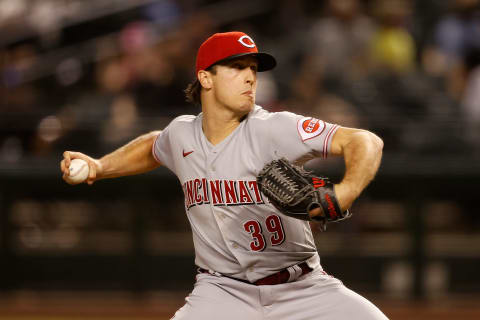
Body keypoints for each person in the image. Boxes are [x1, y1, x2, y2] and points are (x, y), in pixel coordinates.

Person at [60, 31, 387, 320]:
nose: (250, 78)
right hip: (221, 291)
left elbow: (365, 140)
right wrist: (100, 166)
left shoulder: (274, 128)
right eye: (237, 67)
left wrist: (346, 190)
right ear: (205, 78)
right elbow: (153, 146)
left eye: (253, 69)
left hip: (303, 289)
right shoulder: (182, 135)